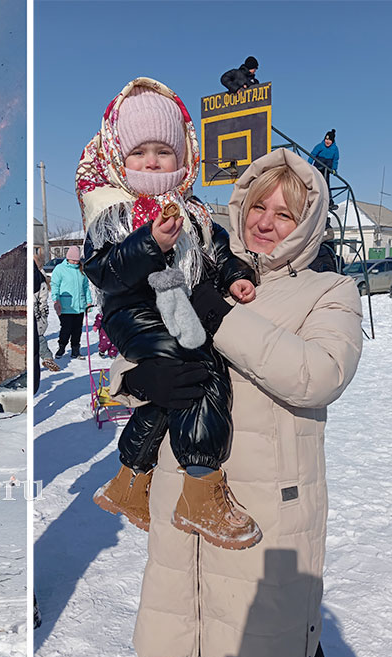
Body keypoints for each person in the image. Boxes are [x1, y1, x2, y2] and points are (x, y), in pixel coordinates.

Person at [109, 148, 362, 657]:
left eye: (285, 214)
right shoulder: (201, 267)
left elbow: (320, 374)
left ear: (306, 225)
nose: (265, 223)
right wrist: (134, 380)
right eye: (257, 206)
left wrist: (219, 315)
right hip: (192, 506)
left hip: (265, 513)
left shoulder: (328, 290)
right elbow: (143, 342)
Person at [77, 77, 261, 549]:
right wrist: (149, 244)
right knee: (193, 371)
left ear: (185, 156)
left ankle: (128, 483)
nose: (153, 161)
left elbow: (217, 253)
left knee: (179, 382)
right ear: (120, 155)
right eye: (140, 151)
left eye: (165, 150)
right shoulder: (111, 209)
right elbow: (104, 271)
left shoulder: (193, 210)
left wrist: (236, 275)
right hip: (134, 310)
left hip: (178, 309)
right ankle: (200, 491)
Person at [50, 245, 92, 358]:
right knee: (66, 329)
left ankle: (75, 350)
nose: (75, 262)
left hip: (79, 306)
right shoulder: (60, 269)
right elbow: (55, 285)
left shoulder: (81, 270)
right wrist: (56, 299)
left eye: (77, 260)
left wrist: (89, 302)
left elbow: (86, 287)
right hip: (66, 306)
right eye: (73, 260)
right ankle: (62, 347)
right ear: (68, 258)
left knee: (77, 330)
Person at [34, 259, 61, 371]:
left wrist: (42, 316)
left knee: (38, 338)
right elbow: (43, 299)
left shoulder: (39, 279)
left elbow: (43, 300)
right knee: (38, 338)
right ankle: (47, 358)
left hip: (36, 314)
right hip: (36, 314)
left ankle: (47, 359)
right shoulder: (40, 279)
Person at [307, 130, 339, 209]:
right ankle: (310, 198)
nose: (327, 141)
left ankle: (329, 202)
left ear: (332, 141)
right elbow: (313, 155)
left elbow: (335, 160)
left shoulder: (334, 149)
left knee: (326, 184)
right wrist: (308, 164)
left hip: (327, 169)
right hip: (318, 167)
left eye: (329, 140)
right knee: (315, 182)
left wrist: (334, 169)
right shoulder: (320, 146)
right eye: (326, 139)